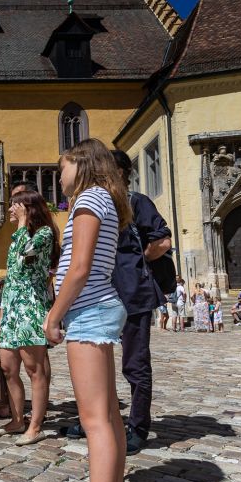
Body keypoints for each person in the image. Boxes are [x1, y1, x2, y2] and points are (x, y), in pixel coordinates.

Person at [38, 138, 131, 482]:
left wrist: (54, 314)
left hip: (88, 311)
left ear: (83, 163)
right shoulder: (103, 198)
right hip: (97, 309)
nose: (59, 176)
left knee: (95, 422)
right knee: (108, 415)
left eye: (63, 167)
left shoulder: (90, 198)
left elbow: (79, 267)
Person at [76, 149, 171, 456]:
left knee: (134, 363)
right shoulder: (98, 203)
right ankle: (99, 419)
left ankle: (139, 426)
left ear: (118, 172)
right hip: (100, 294)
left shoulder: (136, 202)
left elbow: (163, 240)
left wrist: (135, 264)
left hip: (132, 293)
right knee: (97, 362)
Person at [0, 190, 59, 446]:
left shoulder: (43, 234)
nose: (10, 210)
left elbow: (23, 264)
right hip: (12, 309)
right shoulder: (18, 237)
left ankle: (35, 426)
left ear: (27, 209)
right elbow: (13, 266)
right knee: (8, 368)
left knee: (35, 370)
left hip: (30, 308)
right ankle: (17, 419)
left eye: (15, 206)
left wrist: (22, 225)